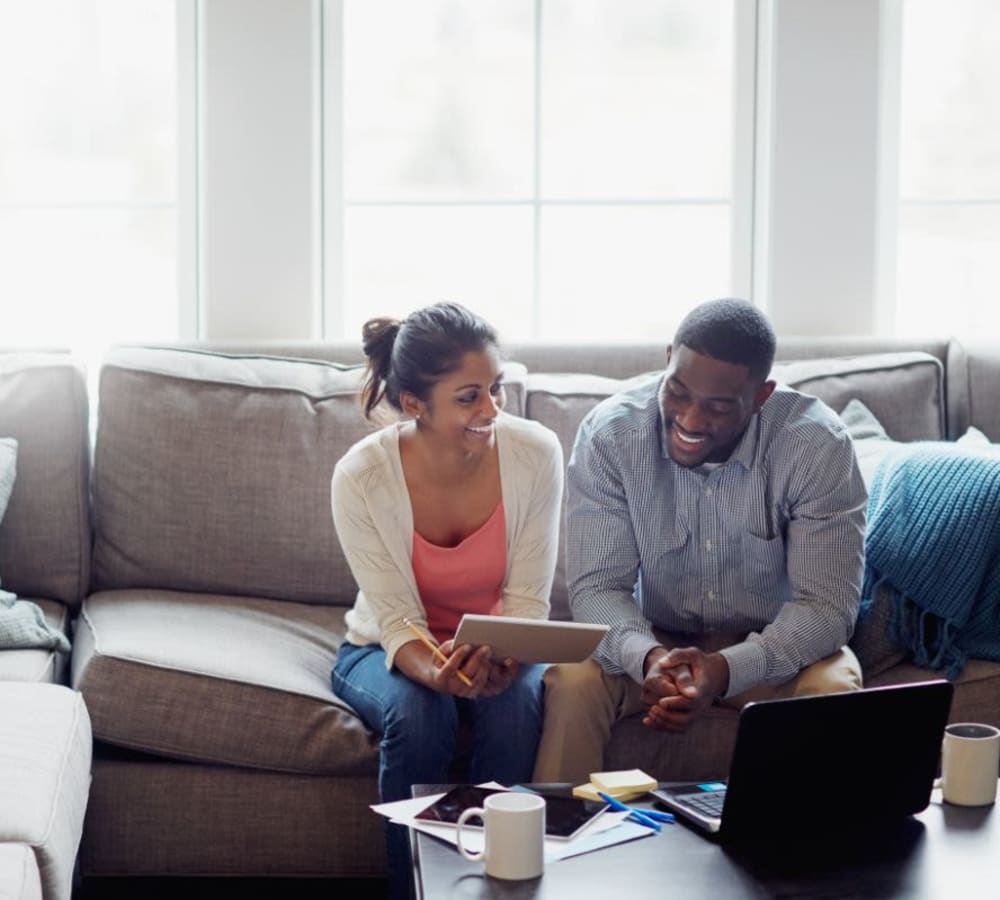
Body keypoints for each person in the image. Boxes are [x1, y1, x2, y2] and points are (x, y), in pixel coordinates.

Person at [532, 297, 867, 785]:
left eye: (717, 406)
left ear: (760, 396)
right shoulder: (611, 435)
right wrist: (647, 658)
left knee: (834, 686)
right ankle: (560, 846)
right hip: (654, 641)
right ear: (668, 359)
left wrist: (725, 670)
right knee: (573, 679)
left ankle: (798, 855)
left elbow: (827, 607)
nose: (690, 419)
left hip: (770, 651)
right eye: (679, 392)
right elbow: (597, 588)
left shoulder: (816, 447)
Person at [330, 302, 562, 897]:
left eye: (496, 390)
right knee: (418, 713)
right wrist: (439, 672)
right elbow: (396, 619)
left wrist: (505, 655)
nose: (491, 410)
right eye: (468, 397)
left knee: (514, 706)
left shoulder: (536, 454)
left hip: (501, 640)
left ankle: (501, 885)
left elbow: (527, 600)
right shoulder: (361, 476)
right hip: (388, 647)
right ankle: (415, 889)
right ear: (414, 404)